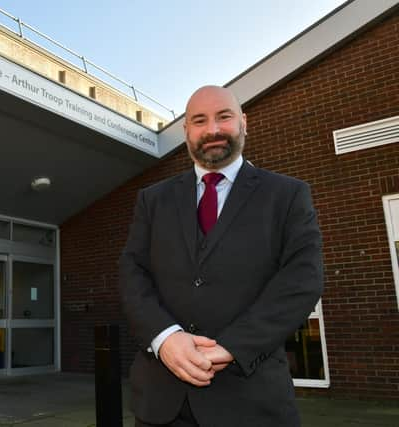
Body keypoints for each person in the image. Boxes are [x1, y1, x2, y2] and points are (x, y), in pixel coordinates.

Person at [119, 85, 323, 427]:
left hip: (252, 402)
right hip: (161, 404)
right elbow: (132, 274)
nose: (212, 130)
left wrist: (230, 347)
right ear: (186, 132)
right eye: (199, 120)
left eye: (223, 117)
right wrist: (165, 338)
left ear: (244, 122)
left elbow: (302, 280)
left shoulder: (288, 195)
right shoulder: (152, 200)